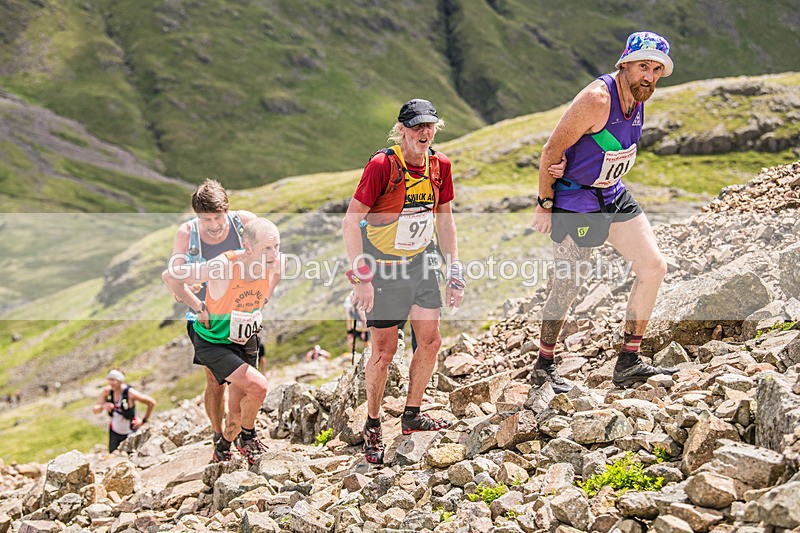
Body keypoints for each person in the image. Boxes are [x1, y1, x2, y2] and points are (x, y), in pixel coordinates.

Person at [530, 31, 678, 393]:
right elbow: (551, 151)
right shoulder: (597, 99)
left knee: (653, 267)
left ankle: (628, 361)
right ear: (624, 63)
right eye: (643, 65)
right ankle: (543, 365)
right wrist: (545, 204)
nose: (650, 75)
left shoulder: (640, 95)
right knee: (568, 283)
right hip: (576, 200)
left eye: (657, 69)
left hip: (612, 194)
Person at [341, 98, 468, 466]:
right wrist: (361, 276)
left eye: (429, 126)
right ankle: (373, 423)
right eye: (416, 127)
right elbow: (351, 222)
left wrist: (454, 269)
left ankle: (412, 415)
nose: (423, 133)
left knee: (430, 340)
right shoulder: (383, 165)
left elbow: (445, 220)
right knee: (385, 351)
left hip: (422, 260)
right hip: (383, 267)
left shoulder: (440, 165)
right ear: (402, 131)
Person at [163, 218, 281, 464]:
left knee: (236, 413)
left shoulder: (276, 263)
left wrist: (263, 302)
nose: (273, 255)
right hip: (213, 342)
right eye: (267, 249)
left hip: (244, 338)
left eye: (277, 247)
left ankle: (225, 445)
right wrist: (197, 306)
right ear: (248, 248)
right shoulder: (222, 266)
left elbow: (276, 275)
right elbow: (170, 276)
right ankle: (248, 437)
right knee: (258, 386)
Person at [162, 179, 257, 455]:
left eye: (218, 217)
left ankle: (241, 430)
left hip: (243, 312)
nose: (214, 225)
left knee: (246, 378)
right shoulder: (186, 234)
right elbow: (173, 279)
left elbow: (271, 254)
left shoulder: (245, 223)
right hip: (205, 317)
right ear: (196, 215)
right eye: (206, 219)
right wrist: (197, 304)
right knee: (216, 381)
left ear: (228, 210)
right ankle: (218, 434)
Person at [93, 370, 156, 452]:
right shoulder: (108, 391)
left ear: (120, 380)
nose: (111, 383)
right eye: (109, 380)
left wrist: (143, 421)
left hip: (130, 432)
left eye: (113, 380)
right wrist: (103, 406)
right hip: (114, 432)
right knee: (113, 455)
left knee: (129, 456)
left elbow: (151, 402)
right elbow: (95, 410)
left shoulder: (130, 393)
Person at [344, 293, 371, 357]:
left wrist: (363, 332)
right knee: (350, 342)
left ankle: (370, 354)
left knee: (366, 342)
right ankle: (352, 354)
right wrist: (349, 332)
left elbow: (364, 320)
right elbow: (348, 321)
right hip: (355, 328)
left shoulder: (360, 309)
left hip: (363, 328)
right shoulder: (349, 309)